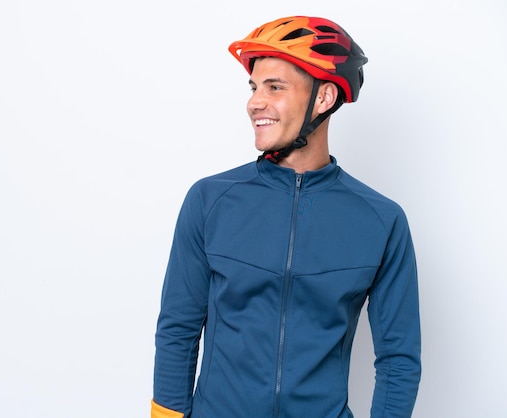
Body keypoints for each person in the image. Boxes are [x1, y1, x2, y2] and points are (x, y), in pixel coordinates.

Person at [151, 15, 421, 418]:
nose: (255, 102)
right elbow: (178, 330)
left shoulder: (382, 221)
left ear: (324, 98)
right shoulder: (210, 200)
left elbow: (399, 358)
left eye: (275, 87)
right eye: (254, 87)